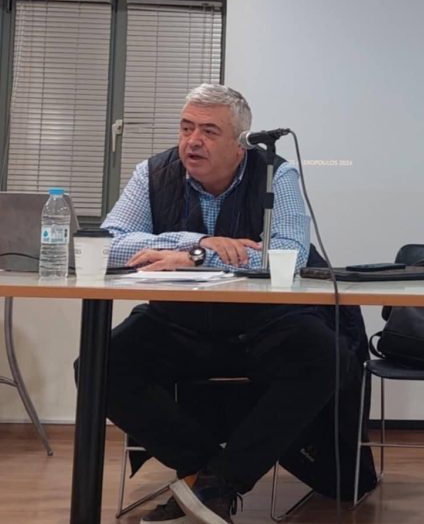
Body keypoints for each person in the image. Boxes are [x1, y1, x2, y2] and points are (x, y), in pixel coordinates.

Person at [90, 84, 365, 524]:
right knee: (99, 363)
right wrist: (197, 242)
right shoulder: (152, 173)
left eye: (209, 131)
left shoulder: (277, 174)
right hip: (177, 322)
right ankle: (207, 474)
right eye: (186, 128)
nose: (192, 141)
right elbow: (111, 244)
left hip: (262, 322)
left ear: (240, 145)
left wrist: (195, 258)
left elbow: (290, 254)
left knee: (325, 355)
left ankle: (219, 482)